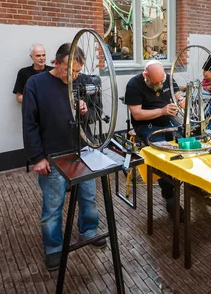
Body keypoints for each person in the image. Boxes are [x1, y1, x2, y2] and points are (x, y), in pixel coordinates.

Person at [22, 43, 105, 271]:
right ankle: (53, 247)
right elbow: (30, 124)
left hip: (82, 150)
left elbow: (94, 118)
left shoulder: (82, 81)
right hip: (52, 155)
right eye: (70, 70)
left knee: (88, 196)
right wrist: (37, 157)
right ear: (56, 63)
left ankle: (89, 230)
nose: (74, 76)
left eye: (78, 71)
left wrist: (86, 111)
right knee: (53, 205)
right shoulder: (36, 84)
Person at [124, 60, 185, 221]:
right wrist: (162, 110)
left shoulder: (168, 78)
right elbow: (137, 114)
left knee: (188, 142)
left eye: (162, 81)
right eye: (156, 82)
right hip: (146, 125)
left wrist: (181, 101)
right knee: (163, 155)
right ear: (146, 76)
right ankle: (170, 198)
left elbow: (178, 95)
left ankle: (195, 185)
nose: (160, 84)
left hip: (168, 120)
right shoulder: (134, 85)